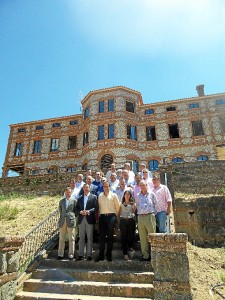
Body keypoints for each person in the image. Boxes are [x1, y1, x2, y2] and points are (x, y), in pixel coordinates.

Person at [95, 181, 120, 262]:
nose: (106, 187)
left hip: (111, 216)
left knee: (110, 236)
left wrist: (115, 217)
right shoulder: (100, 196)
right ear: (103, 187)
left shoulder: (113, 195)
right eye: (104, 186)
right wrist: (99, 217)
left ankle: (109, 255)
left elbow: (117, 207)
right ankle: (101, 255)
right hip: (102, 217)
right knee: (101, 237)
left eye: (107, 186)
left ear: (109, 186)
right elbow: (99, 208)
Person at [135, 180, 158, 261]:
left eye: (143, 185)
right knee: (142, 237)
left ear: (146, 185)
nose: (142, 186)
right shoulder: (137, 196)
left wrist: (153, 214)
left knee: (152, 236)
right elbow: (137, 205)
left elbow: (156, 205)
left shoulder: (151, 194)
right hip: (141, 217)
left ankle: (153, 254)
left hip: (149, 216)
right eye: (140, 185)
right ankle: (145, 255)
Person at [76, 184, 98, 261]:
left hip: (89, 218)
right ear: (83, 189)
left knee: (89, 237)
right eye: (84, 188)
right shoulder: (80, 198)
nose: (85, 189)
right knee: (81, 238)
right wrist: (80, 211)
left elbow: (96, 208)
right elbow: (76, 209)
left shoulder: (94, 197)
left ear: (89, 188)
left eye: (87, 188)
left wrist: (88, 211)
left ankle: (89, 255)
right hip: (81, 219)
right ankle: (81, 255)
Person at [57, 187, 76, 260]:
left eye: (69, 192)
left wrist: (71, 217)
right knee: (61, 239)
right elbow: (60, 210)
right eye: (67, 192)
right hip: (62, 221)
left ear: (71, 193)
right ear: (65, 193)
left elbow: (75, 211)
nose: (68, 193)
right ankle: (60, 254)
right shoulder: (61, 201)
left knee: (71, 238)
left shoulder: (74, 201)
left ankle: (71, 254)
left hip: (70, 221)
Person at [119, 190, 136, 260]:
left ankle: (130, 251)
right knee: (123, 237)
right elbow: (119, 212)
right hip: (123, 220)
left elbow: (134, 212)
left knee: (131, 236)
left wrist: (134, 204)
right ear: (124, 195)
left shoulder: (132, 203)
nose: (127, 195)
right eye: (126, 194)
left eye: (129, 194)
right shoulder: (121, 203)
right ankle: (125, 254)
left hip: (131, 220)